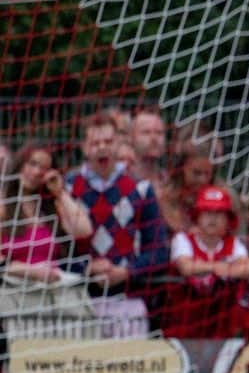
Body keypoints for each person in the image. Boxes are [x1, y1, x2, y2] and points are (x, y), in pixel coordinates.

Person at [66, 113, 169, 297]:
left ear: (119, 144)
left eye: (108, 141)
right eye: (95, 143)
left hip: (130, 299)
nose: (102, 148)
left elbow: (158, 250)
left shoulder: (141, 189)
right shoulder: (68, 189)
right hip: (78, 299)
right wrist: (88, 268)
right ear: (84, 148)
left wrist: (127, 272)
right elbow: (57, 249)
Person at [163, 185, 249, 338]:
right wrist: (219, 266)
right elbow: (186, 267)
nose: (212, 218)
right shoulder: (183, 240)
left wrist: (224, 268)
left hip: (223, 326)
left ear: (228, 220)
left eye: (219, 213)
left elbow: (248, 268)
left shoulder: (234, 244)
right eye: (207, 212)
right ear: (197, 216)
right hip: (185, 325)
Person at [0, 140, 93, 282]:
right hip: (14, 291)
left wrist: (60, 193)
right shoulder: (3, 207)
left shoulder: (51, 208)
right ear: (20, 163)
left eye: (44, 168)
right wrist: (31, 272)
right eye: (32, 163)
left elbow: (84, 230)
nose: (37, 172)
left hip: (51, 290)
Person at [127, 107, 168, 189]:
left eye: (159, 132)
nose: (154, 138)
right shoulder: (121, 180)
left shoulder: (170, 181)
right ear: (131, 138)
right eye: (146, 132)